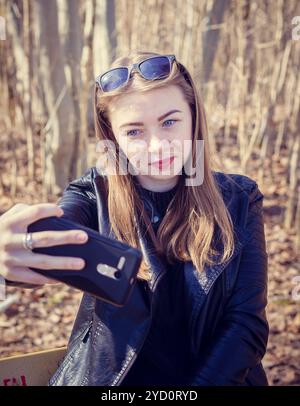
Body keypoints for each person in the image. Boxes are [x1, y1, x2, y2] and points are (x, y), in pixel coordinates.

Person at [0, 51, 269, 386]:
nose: (157, 145)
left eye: (169, 122)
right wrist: (15, 257)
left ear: (193, 118)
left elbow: (246, 326)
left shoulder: (240, 198)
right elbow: (52, 243)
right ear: (113, 136)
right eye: (134, 131)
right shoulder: (92, 194)